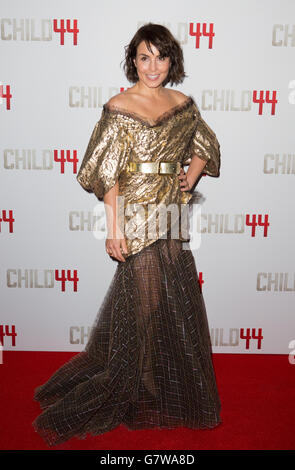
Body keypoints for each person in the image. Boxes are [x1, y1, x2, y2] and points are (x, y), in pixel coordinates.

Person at [32, 23, 222, 447]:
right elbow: (105, 173)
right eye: (144, 57)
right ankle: (141, 388)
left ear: (172, 60)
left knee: (170, 302)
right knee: (144, 303)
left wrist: (188, 181)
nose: (152, 66)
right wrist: (113, 229)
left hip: (171, 213)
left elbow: (206, 145)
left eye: (160, 56)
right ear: (132, 61)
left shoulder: (183, 103)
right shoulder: (119, 106)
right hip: (135, 213)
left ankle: (154, 383)